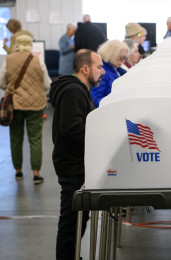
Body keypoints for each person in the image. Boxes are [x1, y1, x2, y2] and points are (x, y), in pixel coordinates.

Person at [49, 49, 105, 260]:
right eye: (99, 67)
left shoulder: (79, 89)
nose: (103, 72)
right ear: (85, 68)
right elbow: (73, 129)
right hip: (72, 165)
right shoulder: (73, 91)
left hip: (77, 163)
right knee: (71, 222)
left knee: (78, 220)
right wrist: (99, 141)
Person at [0, 35, 51, 183]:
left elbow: (1, 81)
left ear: (16, 44)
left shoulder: (8, 59)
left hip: (14, 105)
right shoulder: (37, 60)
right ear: (30, 45)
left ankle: (18, 172)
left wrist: (10, 89)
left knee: (15, 138)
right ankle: (36, 173)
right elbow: (47, 84)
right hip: (36, 105)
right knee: (35, 139)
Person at [90, 39, 128, 107]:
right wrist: (116, 103)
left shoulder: (117, 69)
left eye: (125, 58)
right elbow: (95, 100)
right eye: (122, 57)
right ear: (112, 54)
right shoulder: (101, 72)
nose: (123, 61)